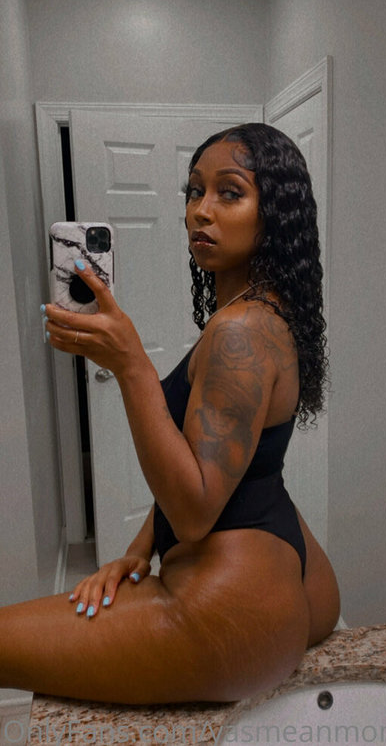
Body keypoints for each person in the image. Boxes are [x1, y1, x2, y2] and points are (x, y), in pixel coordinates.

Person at [0, 123, 339, 704]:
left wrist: (131, 365)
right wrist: (140, 549)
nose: (201, 210)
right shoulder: (262, 313)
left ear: (274, 215)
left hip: (228, 616)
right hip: (289, 572)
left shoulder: (240, 331)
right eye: (194, 190)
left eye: (230, 192)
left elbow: (194, 512)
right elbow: (218, 464)